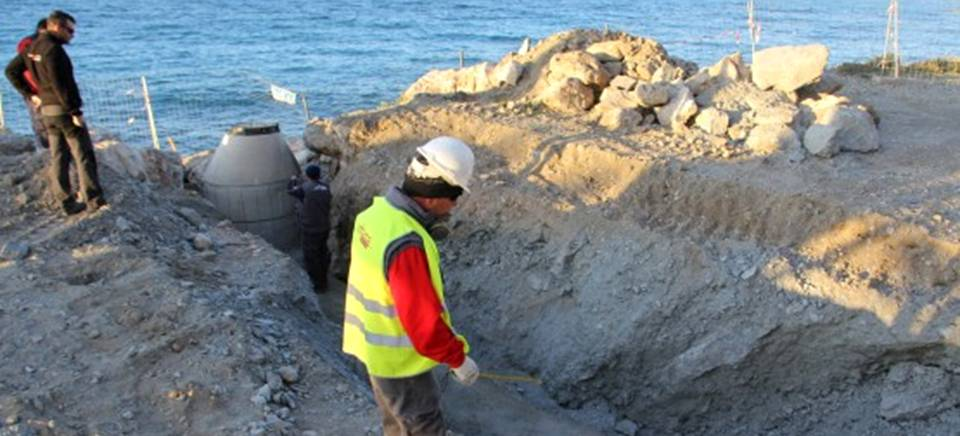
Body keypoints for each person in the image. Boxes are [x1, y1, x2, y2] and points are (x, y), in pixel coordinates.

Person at [342, 136, 481, 436]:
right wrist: (457, 359)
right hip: (401, 365)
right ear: (431, 196)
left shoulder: (375, 216)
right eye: (454, 195)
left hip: (376, 354)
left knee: (396, 425)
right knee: (421, 427)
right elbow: (424, 323)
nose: (455, 205)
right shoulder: (407, 244)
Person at [6, 10, 105, 215]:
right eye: (70, 31)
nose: (72, 36)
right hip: (63, 110)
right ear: (57, 27)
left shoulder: (32, 47)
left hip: (46, 111)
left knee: (59, 155)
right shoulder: (54, 51)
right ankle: (94, 200)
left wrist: (31, 95)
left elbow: (11, 71)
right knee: (83, 153)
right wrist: (75, 111)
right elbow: (62, 84)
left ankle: (66, 202)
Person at [5, 18, 49, 152]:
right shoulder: (29, 45)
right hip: (35, 90)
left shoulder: (45, 44)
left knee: (46, 122)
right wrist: (29, 93)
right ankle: (45, 149)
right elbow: (13, 71)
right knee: (41, 122)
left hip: (43, 89)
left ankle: (48, 148)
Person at [287, 163, 332, 293]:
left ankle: (318, 285)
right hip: (324, 227)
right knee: (322, 253)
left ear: (307, 175)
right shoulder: (326, 187)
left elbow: (290, 190)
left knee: (312, 257)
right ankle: (324, 280)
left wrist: (293, 180)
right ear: (319, 175)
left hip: (311, 229)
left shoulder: (305, 188)